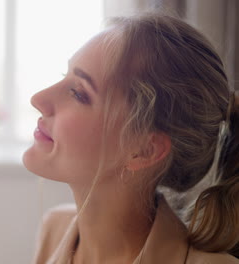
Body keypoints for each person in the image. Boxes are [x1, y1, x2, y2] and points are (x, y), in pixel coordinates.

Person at [23, 13, 239, 264]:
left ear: (145, 150)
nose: (38, 99)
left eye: (78, 93)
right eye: (64, 76)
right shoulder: (54, 228)